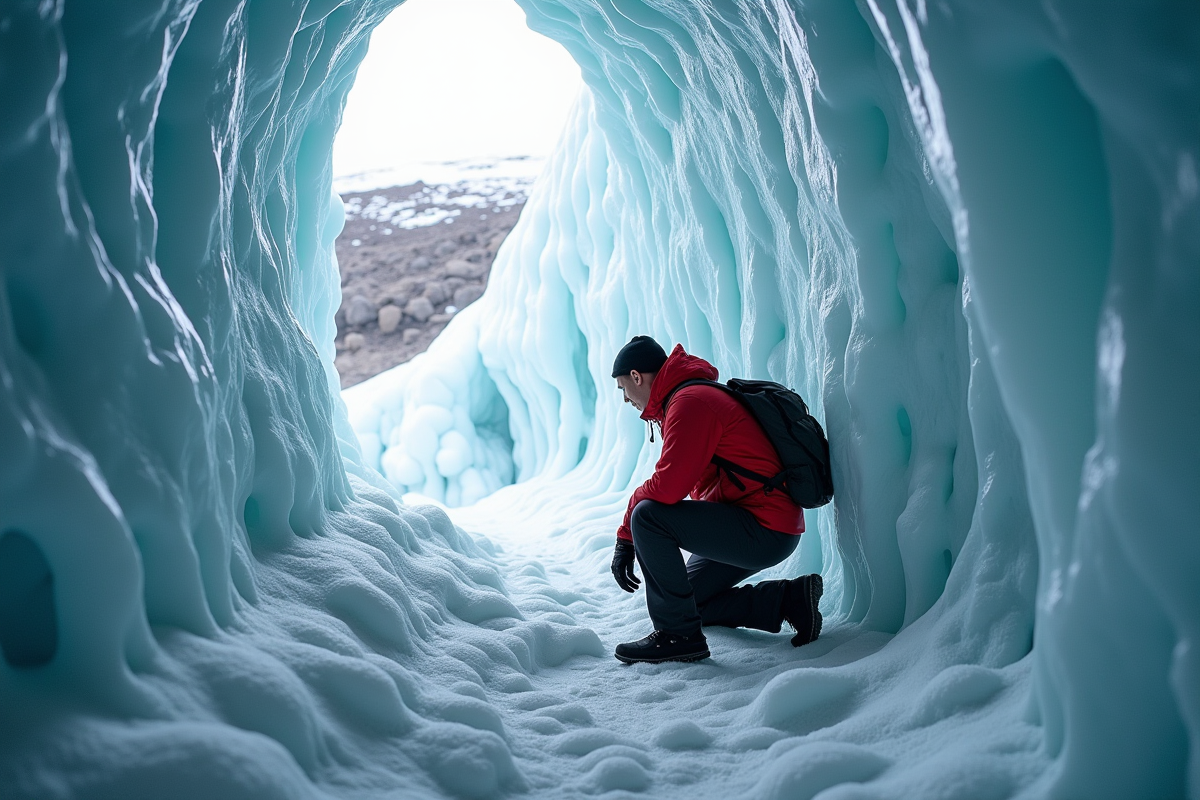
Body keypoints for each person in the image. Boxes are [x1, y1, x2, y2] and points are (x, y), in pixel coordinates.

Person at [609, 335, 823, 663]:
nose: (626, 399)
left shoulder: (691, 401)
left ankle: (677, 636)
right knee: (685, 600)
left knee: (647, 516)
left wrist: (627, 535)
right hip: (761, 521)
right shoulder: (684, 398)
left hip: (763, 527)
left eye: (623, 388)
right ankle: (789, 600)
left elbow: (668, 487)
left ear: (637, 377)